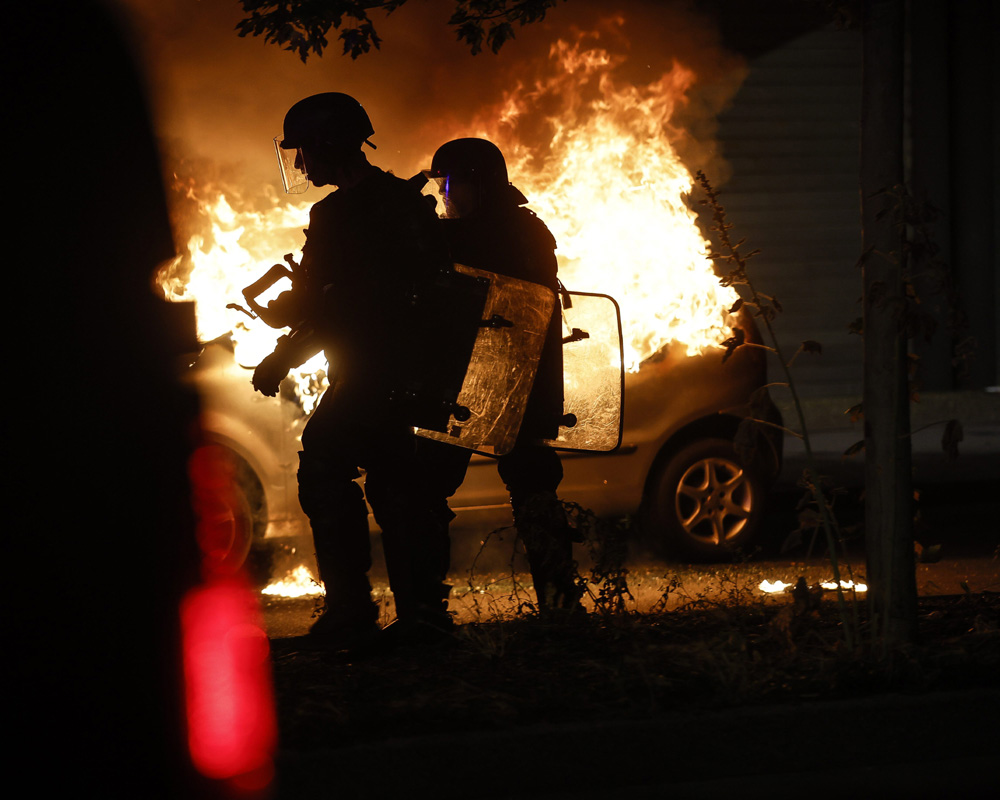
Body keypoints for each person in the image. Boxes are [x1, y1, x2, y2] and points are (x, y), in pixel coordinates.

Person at [252, 92, 454, 648]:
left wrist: (284, 348)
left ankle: (352, 612)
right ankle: (420, 616)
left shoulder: (339, 214)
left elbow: (336, 305)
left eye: (304, 151)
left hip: (374, 369)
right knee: (397, 485)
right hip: (409, 371)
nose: (300, 164)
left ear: (328, 145)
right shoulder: (403, 202)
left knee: (323, 465)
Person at [421, 137, 583, 612]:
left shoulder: (509, 235)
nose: (446, 195)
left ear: (481, 183)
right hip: (480, 379)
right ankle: (432, 608)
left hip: (508, 378)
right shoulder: (506, 230)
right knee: (429, 483)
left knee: (524, 484)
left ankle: (557, 602)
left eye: (451, 183)